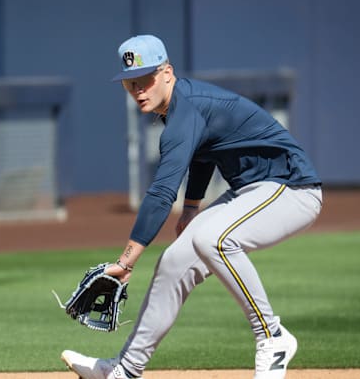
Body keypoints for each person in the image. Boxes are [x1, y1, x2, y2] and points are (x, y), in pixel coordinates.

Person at [61, 34, 323, 379]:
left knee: (214, 239)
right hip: (252, 192)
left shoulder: (186, 110)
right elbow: (205, 154)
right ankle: (125, 370)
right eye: (130, 83)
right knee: (174, 261)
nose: (138, 89)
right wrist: (191, 208)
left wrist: (126, 262)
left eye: (146, 79)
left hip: (292, 188)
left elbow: (160, 192)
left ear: (167, 72)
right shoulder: (182, 108)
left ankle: (272, 337)